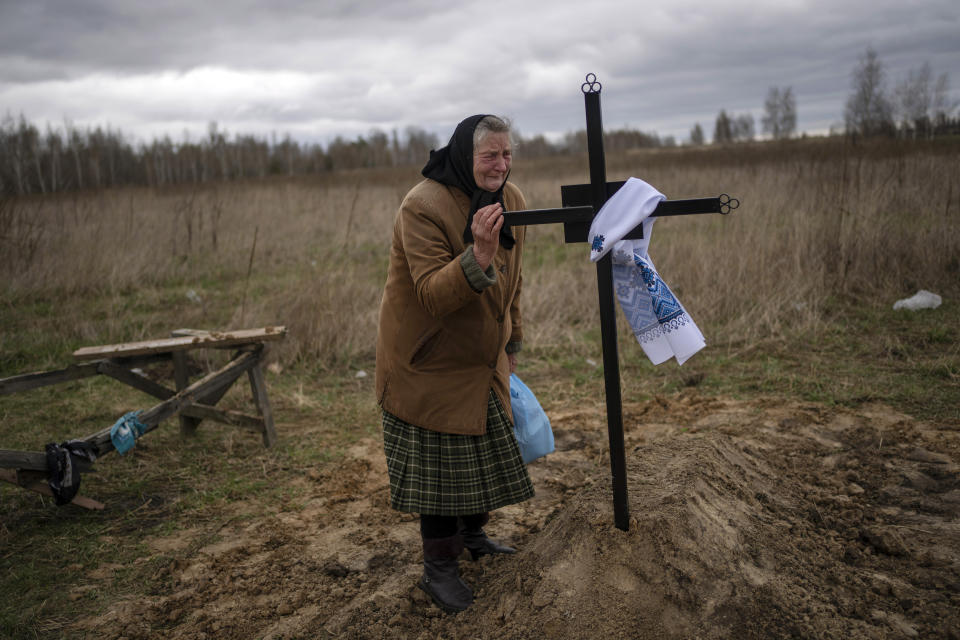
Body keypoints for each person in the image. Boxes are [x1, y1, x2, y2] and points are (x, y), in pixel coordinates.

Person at [375, 114, 533, 614]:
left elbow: (516, 282)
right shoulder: (422, 206)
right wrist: (477, 256)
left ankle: (473, 537)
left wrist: (513, 342)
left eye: (507, 154)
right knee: (442, 473)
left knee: (481, 457)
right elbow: (430, 294)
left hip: (482, 359)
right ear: (466, 156)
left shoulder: (514, 202)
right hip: (429, 362)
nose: (501, 165)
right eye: (490, 156)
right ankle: (438, 570)